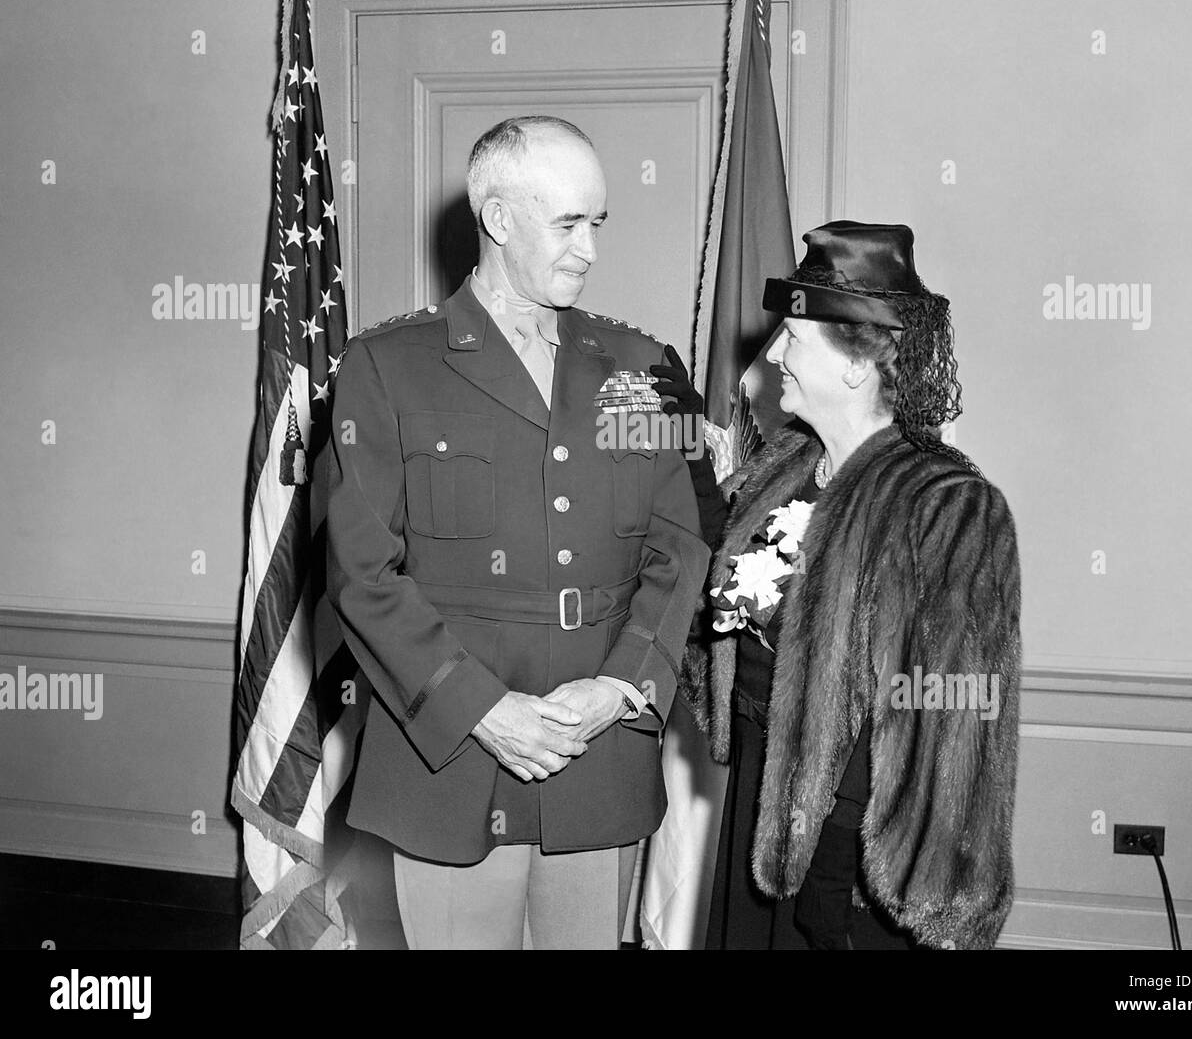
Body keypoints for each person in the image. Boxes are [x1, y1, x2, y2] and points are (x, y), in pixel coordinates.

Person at [324, 115, 712, 949]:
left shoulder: (649, 370)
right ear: (499, 220)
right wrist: (484, 710)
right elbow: (363, 573)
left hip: (599, 755)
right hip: (452, 759)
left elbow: (680, 547)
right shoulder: (385, 366)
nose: (590, 249)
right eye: (568, 223)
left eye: (597, 223)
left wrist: (620, 689)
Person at [683, 221, 1022, 950]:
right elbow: (720, 620)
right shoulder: (781, 471)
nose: (772, 353)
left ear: (855, 366)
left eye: (794, 338)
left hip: (858, 848)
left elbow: (948, 703)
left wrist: (842, 849)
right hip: (759, 802)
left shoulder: (948, 504)